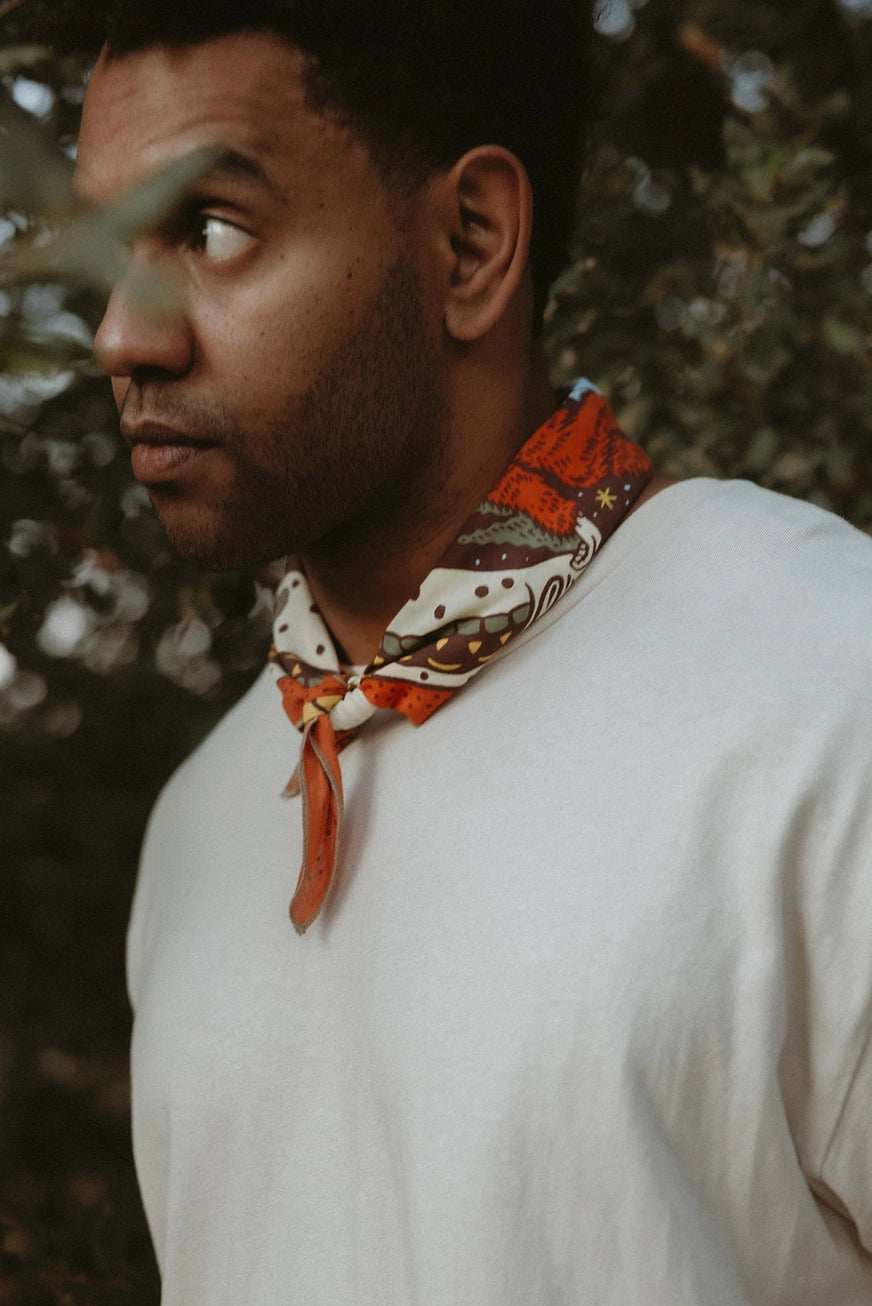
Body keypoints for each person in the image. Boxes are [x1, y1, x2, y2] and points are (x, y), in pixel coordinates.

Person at [30, 1, 872, 1301]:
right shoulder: (204, 821)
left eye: (209, 232)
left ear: (471, 245)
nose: (124, 338)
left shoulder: (824, 687)